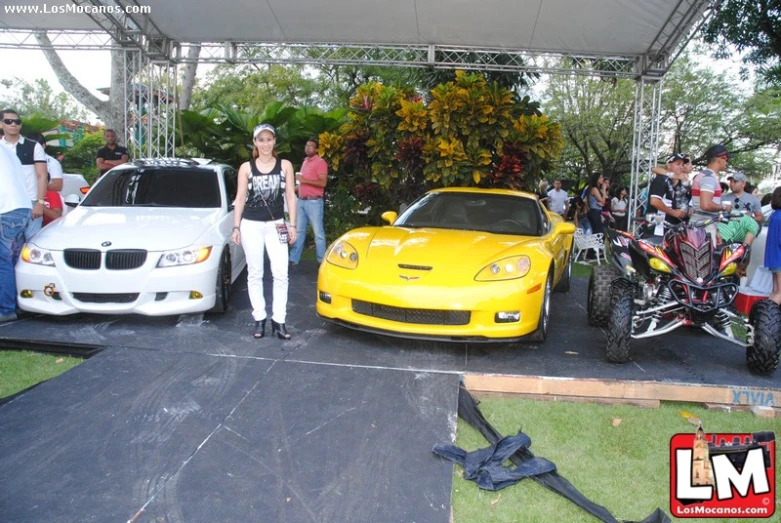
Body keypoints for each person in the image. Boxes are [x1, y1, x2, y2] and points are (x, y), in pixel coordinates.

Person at [232, 123, 297, 340]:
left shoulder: (285, 165)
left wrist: (292, 225)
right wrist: (236, 226)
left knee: (281, 273)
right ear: (255, 142)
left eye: (269, 139)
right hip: (251, 224)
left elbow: (290, 196)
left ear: (274, 141)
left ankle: (279, 320)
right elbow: (240, 198)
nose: (265, 143)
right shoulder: (246, 168)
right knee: (255, 272)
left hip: (277, 224)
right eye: (261, 140)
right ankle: (259, 318)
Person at [0, 109, 47, 240]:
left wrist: (40, 203)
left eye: (17, 121)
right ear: (1, 124)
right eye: (8, 121)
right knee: (8, 249)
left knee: (33, 244)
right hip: (6, 205)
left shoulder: (33, 146)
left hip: (31, 203)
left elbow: (42, 176)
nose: (13, 124)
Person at [0, 145, 32, 323]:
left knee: (2, 260)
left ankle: (6, 309)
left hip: (6, 210)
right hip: (22, 208)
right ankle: (18, 305)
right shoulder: (8, 152)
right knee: (13, 260)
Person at [289, 138, 328, 266]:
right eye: (307, 145)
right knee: (299, 232)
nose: (308, 148)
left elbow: (323, 183)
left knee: (318, 234)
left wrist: (304, 180)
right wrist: (290, 189)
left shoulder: (320, 162)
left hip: (314, 203)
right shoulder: (305, 162)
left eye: (311, 146)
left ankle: (321, 260)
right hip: (301, 201)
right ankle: (293, 259)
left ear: (317, 149)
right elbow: (302, 184)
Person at [690, 145, 732, 244]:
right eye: (727, 159)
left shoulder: (706, 176)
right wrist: (724, 207)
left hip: (703, 223)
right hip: (703, 226)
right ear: (721, 159)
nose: (727, 163)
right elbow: (706, 205)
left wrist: (716, 230)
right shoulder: (709, 178)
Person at [648, 154, 687, 236]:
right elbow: (654, 201)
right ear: (669, 165)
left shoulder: (680, 184)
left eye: (683, 165)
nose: (681, 167)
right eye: (678, 164)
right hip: (658, 228)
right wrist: (674, 212)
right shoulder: (661, 179)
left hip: (671, 230)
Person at [765, 187, 781, 306]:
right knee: (779, 292)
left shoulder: (775, 215)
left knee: (775, 290)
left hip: (773, 258)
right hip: (779, 258)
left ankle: (763, 316)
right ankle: (767, 320)